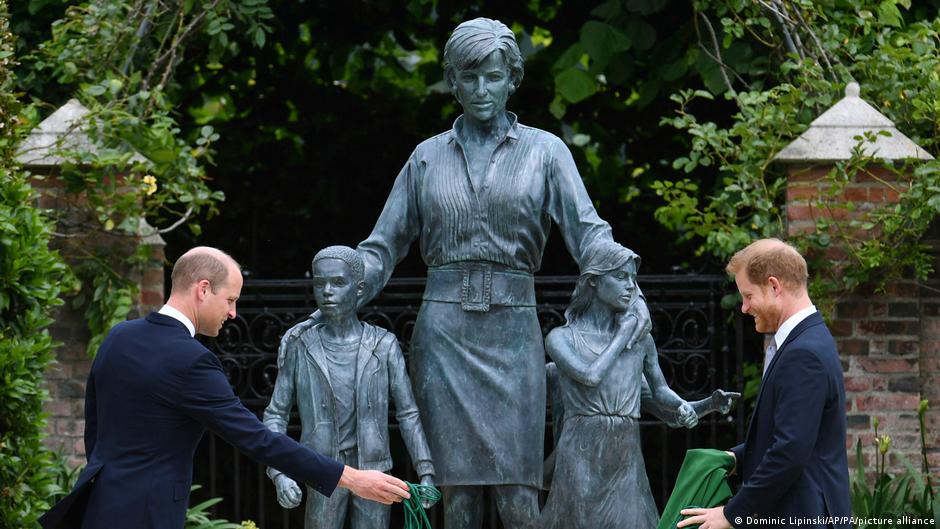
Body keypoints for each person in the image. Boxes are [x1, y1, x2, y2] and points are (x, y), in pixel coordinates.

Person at [280, 18, 651, 529]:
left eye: (493, 77)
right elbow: (382, 247)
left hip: (513, 334)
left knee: (520, 497)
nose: (481, 90)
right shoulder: (426, 158)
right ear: (452, 81)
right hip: (445, 337)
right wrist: (340, 286)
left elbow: (589, 232)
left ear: (512, 79)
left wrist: (623, 277)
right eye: (468, 78)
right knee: (455, 502)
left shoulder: (546, 152)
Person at [39, 246, 410, 529]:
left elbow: (95, 425)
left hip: (97, 505)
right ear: (203, 289)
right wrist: (352, 478)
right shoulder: (191, 360)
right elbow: (257, 438)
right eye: (230, 300)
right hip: (149, 514)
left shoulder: (119, 337)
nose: (232, 313)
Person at [538, 241, 736, 529]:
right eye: (620, 277)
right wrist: (624, 333)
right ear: (593, 282)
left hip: (625, 453)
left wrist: (707, 405)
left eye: (633, 278)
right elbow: (591, 377)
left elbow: (661, 395)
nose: (630, 286)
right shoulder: (562, 338)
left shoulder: (641, 342)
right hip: (581, 451)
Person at [678, 238, 851, 529]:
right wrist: (736, 458)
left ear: (774, 286)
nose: (744, 308)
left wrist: (733, 513)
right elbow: (797, 435)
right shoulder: (806, 340)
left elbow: (791, 451)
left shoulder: (803, 352)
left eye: (748, 295)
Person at [263, 246, 436, 529]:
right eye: (320, 283)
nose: (327, 291)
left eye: (338, 282)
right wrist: (279, 472)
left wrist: (425, 470)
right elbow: (276, 414)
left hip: (375, 468)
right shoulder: (301, 346)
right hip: (321, 469)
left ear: (359, 289)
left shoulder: (384, 345)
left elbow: (408, 413)